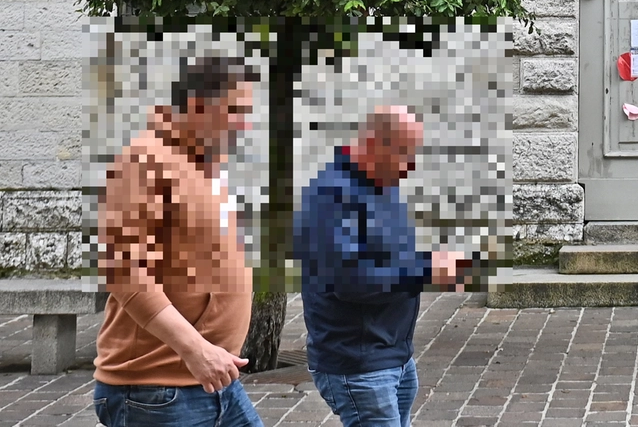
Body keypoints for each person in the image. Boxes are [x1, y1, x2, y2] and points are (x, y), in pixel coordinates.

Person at [93, 55, 263, 427]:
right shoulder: (143, 160)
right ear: (198, 105)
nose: (245, 124)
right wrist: (196, 349)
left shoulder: (205, 163)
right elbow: (125, 272)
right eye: (236, 110)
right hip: (157, 390)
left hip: (214, 378)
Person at [297, 105, 468, 427]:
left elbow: (391, 257)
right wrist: (427, 270)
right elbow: (352, 281)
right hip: (358, 364)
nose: (412, 165)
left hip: (393, 356)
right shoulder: (331, 196)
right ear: (373, 144)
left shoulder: (382, 185)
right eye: (405, 153)